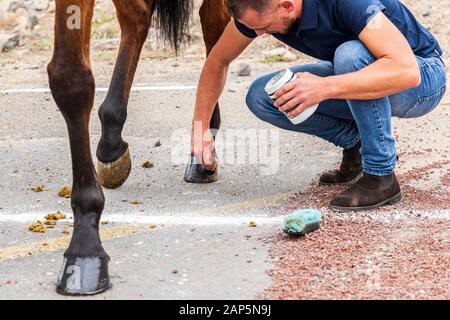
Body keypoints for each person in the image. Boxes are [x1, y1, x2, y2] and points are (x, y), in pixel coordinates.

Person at [190, 0, 447, 211]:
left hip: (422, 80)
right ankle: (357, 143)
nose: (260, 34)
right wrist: (200, 129)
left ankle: (381, 175)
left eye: (265, 28)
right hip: (358, 72)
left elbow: (406, 71)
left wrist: (324, 88)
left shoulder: (348, 3)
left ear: (287, 6)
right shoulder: (260, 12)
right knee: (263, 95)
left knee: (350, 55)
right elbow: (217, 61)